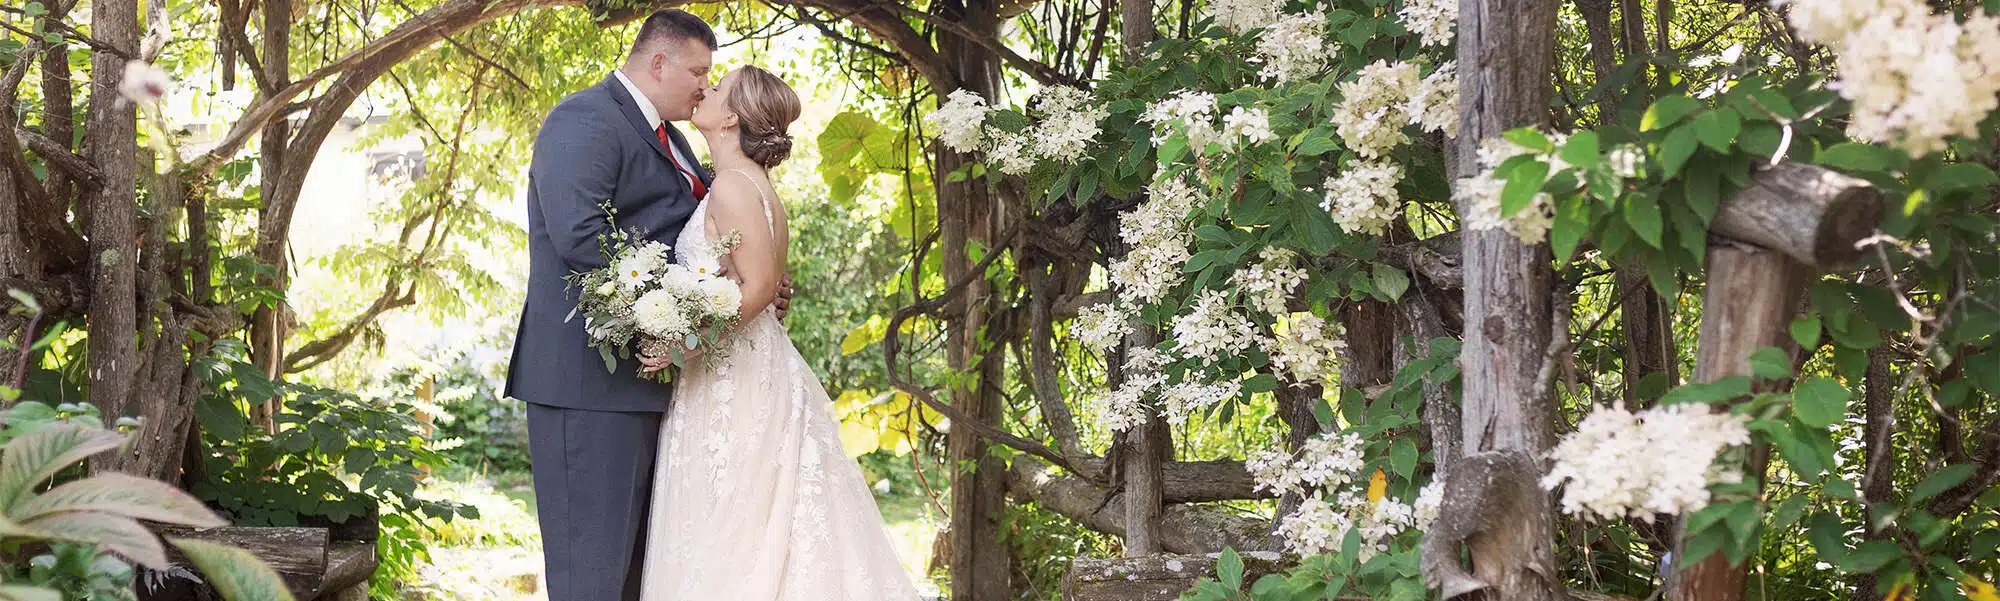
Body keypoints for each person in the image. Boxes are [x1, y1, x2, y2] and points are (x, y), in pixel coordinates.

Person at [505, 10, 792, 600]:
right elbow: (582, 235)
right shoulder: (584, 119)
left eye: (711, 76)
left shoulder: (681, 143)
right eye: (697, 71)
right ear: (658, 62)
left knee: (643, 577)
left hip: (658, 383)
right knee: (592, 575)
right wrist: (683, 311)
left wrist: (743, 285)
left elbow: (705, 236)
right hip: (588, 387)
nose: (703, 86)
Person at [633, 65, 928, 600]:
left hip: (734, 376)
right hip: (749, 363)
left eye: (717, 88)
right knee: (756, 518)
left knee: (734, 521)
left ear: (731, 118)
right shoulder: (754, 186)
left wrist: (684, 343)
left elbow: (762, 285)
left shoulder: (732, 187)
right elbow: (761, 282)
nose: (706, 89)